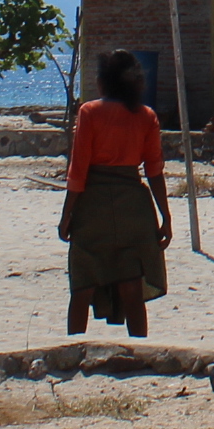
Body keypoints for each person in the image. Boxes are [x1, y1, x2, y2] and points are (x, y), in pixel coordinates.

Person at [58, 50, 171, 337]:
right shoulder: (146, 116)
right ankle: (139, 350)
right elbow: (154, 170)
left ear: (103, 81)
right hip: (133, 206)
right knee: (132, 287)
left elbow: (79, 169)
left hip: (92, 206)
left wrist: (66, 214)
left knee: (82, 284)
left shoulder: (89, 112)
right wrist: (165, 216)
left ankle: (74, 349)